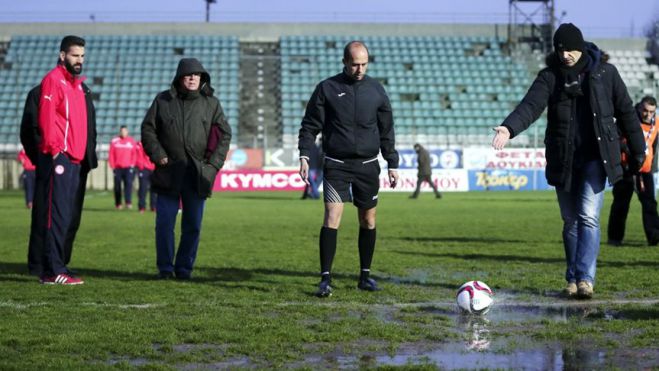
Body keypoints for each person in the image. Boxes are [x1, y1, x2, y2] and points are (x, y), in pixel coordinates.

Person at [491, 24, 645, 299]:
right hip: (563, 158)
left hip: (596, 159)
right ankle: (573, 278)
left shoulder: (606, 74)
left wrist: (639, 150)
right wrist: (508, 128)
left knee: (587, 216)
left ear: (582, 47)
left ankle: (586, 279)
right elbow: (530, 106)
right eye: (560, 49)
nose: (565, 55)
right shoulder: (550, 77)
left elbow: (626, 112)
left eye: (571, 49)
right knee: (570, 220)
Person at [298, 41, 400, 297]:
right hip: (337, 165)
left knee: (368, 220)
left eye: (364, 64)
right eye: (355, 64)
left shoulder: (377, 90)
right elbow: (310, 125)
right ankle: (325, 279)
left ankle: (365, 276)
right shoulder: (327, 88)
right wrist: (304, 155)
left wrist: (392, 163)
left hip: (368, 166)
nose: (359, 69)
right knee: (332, 217)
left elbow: (387, 130)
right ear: (344, 62)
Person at [141, 58, 231, 280]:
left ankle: (184, 269)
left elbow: (224, 135)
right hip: (168, 173)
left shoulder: (211, 103)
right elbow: (148, 129)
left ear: (202, 78)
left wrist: (212, 166)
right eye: (188, 75)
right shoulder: (162, 100)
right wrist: (159, 154)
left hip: (196, 175)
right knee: (164, 224)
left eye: (197, 75)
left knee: (192, 226)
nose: (193, 78)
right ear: (179, 77)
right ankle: (165, 268)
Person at [27, 35, 97, 284]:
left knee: (65, 217)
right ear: (62, 55)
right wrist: (56, 150)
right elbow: (45, 119)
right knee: (55, 216)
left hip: (74, 161)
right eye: (74, 55)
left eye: (82, 56)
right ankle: (52, 270)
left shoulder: (76, 85)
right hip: (59, 158)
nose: (79, 60)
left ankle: (57, 266)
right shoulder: (53, 81)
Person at [608, 96, 659, 246]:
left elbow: (654, 145)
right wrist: (625, 152)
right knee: (621, 204)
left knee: (650, 203)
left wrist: (652, 165)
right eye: (645, 110)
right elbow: (615, 139)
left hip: (645, 170)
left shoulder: (656, 124)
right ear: (639, 108)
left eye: (651, 112)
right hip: (626, 169)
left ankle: (654, 236)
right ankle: (615, 238)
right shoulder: (628, 119)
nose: (648, 115)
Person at [109, 125, 137, 209]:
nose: (123, 133)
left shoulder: (131, 141)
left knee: (128, 185)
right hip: (117, 168)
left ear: (127, 132)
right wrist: (112, 166)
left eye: (125, 131)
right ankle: (118, 204)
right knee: (117, 186)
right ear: (120, 132)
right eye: (122, 131)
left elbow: (134, 154)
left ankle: (128, 202)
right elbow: (111, 154)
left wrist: (132, 164)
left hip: (128, 167)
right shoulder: (114, 141)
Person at [135, 140, 157, 213]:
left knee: (154, 189)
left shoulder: (156, 142)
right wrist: (141, 167)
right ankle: (142, 207)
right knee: (143, 189)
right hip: (144, 169)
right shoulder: (140, 144)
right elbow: (138, 155)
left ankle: (153, 206)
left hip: (153, 168)